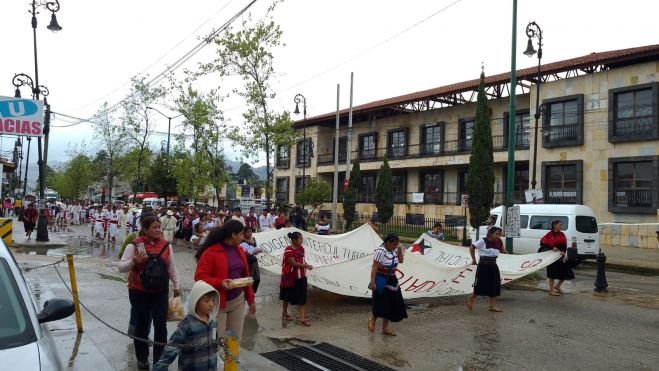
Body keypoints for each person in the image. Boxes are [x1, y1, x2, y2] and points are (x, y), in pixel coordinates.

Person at [118, 216, 181, 370]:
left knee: (161, 324)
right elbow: (121, 267)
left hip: (160, 291)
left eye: (159, 227)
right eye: (154, 227)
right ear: (145, 230)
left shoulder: (167, 246)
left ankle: (159, 361)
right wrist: (134, 261)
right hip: (139, 291)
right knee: (141, 323)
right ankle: (142, 358)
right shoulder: (135, 245)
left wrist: (177, 285)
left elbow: (171, 267)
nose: (158, 230)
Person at [194, 220, 256, 344]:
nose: (243, 237)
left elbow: (245, 276)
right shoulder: (211, 252)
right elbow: (199, 277)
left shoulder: (239, 250)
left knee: (233, 342)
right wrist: (220, 283)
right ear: (233, 235)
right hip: (217, 303)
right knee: (217, 342)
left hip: (238, 301)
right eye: (241, 234)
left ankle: (231, 364)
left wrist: (251, 299)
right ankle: (214, 363)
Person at [153, 280, 219, 371]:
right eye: (206, 301)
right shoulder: (187, 324)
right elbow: (172, 346)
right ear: (195, 302)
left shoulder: (213, 322)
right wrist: (161, 366)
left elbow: (214, 345)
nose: (211, 304)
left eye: (213, 300)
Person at [368, 233, 407, 336]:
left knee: (391, 303)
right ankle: (372, 319)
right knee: (380, 302)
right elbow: (374, 267)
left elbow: (401, 261)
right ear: (388, 242)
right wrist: (372, 282)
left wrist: (399, 249)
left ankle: (385, 328)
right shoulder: (380, 251)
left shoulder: (394, 251)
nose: (395, 246)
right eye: (394, 244)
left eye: (397, 244)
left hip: (392, 280)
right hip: (381, 279)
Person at [466, 226, 506, 312]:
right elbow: (472, 247)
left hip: (493, 265)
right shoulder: (483, 241)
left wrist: (512, 257)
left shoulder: (499, 241)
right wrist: (474, 259)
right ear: (491, 233)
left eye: (499, 234)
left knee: (495, 285)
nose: (498, 236)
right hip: (483, 265)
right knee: (481, 284)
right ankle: (470, 298)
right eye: (496, 234)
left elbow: (503, 250)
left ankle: (493, 306)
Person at [280, 231, 313, 326]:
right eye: (300, 239)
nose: (302, 240)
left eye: (302, 238)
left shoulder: (302, 248)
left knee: (302, 298)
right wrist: (306, 266)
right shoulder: (288, 250)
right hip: (290, 278)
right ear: (294, 240)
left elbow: (301, 260)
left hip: (301, 277)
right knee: (287, 297)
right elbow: (293, 263)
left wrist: (305, 265)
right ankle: (285, 313)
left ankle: (302, 319)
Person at [540, 220, 575, 296]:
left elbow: (565, 245)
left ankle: (558, 286)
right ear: (554, 225)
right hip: (552, 256)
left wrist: (563, 252)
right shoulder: (549, 234)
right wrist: (552, 247)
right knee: (552, 273)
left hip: (560, 255)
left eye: (561, 225)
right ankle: (551, 290)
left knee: (567, 272)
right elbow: (543, 243)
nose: (561, 226)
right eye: (559, 225)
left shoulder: (562, 234)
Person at [240, 226, 263, 293]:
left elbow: (255, 249)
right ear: (244, 233)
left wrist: (256, 251)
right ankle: (248, 293)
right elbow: (248, 252)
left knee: (257, 279)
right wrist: (256, 251)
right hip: (248, 263)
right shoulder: (242, 241)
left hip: (254, 262)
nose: (250, 233)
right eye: (248, 232)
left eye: (250, 231)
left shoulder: (253, 239)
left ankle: (252, 293)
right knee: (249, 279)